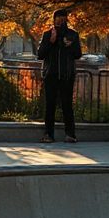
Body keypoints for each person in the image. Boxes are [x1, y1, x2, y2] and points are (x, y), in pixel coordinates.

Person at [37, 9, 82, 142]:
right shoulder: (47, 34)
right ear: (54, 20)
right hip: (51, 74)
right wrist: (51, 41)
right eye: (58, 19)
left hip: (67, 75)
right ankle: (48, 134)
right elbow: (40, 54)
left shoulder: (72, 35)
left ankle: (70, 134)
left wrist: (70, 46)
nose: (60, 22)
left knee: (67, 105)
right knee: (50, 105)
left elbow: (78, 54)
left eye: (63, 19)